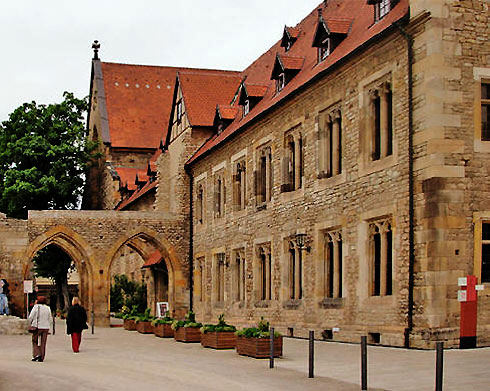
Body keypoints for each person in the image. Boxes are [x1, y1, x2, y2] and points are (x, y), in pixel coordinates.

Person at [28, 296, 52, 362]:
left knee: (34, 340)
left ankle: (36, 354)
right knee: (43, 342)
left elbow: (30, 317)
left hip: (37, 326)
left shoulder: (36, 307)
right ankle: (42, 356)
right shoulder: (48, 308)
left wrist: (29, 324)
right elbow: (50, 318)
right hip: (46, 327)